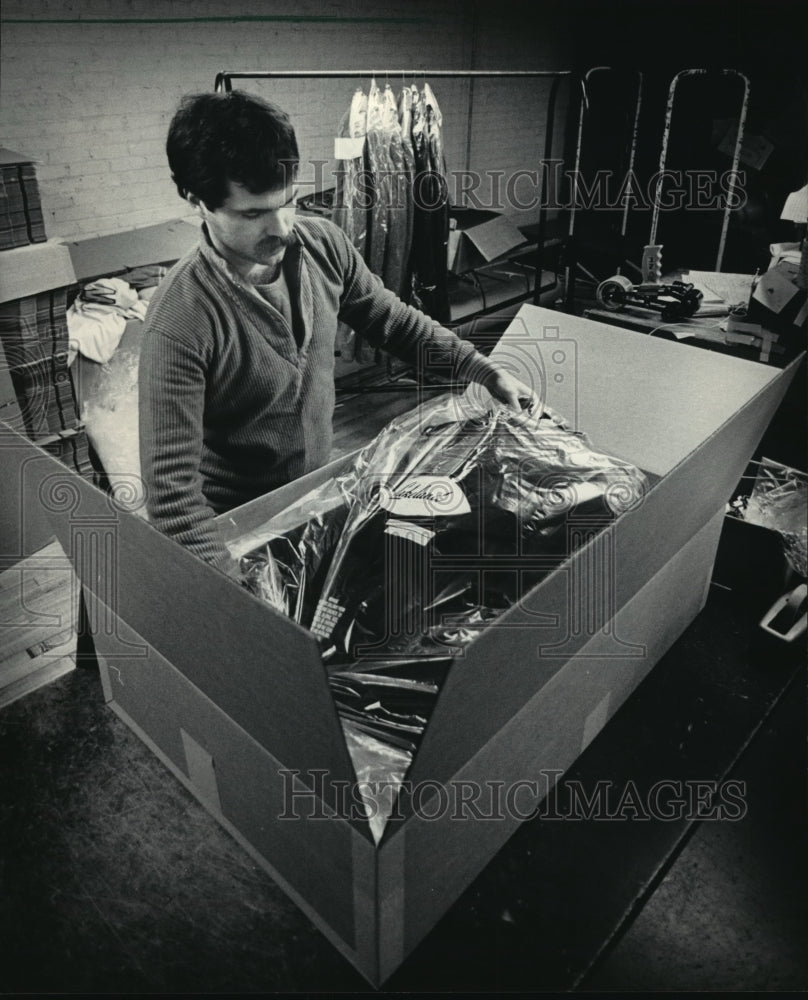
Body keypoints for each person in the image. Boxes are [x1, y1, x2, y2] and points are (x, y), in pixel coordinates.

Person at [139, 91, 539, 576]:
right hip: (234, 531)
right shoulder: (181, 319)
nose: (283, 228)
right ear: (195, 199)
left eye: (288, 201)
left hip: (315, 498)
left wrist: (484, 371)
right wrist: (235, 593)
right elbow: (174, 501)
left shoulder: (322, 245)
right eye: (252, 214)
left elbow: (396, 323)